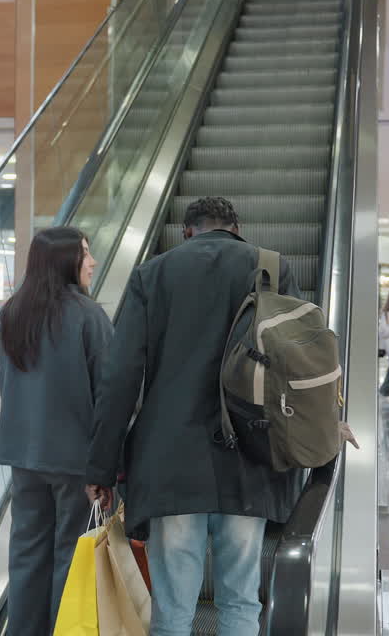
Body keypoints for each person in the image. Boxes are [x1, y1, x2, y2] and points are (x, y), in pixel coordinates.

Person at [86, 197, 351, 634]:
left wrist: (101, 464)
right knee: (241, 601)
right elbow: (304, 361)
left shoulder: (154, 273)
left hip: (171, 462)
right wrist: (325, 427)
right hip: (251, 457)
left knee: (171, 611)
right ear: (237, 228)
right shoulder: (271, 268)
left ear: (186, 232)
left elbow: (121, 376)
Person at [0, 227, 113, 636]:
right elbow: (111, 393)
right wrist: (109, 464)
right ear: (66, 261)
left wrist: (7, 308)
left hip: (23, 458)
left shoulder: (15, 311)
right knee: (72, 553)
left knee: (27, 554)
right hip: (75, 463)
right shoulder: (89, 315)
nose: (93, 262)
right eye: (85, 253)